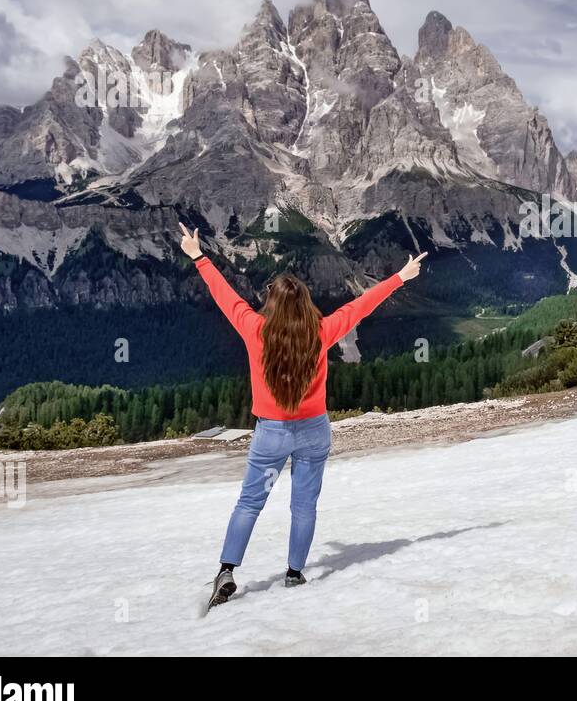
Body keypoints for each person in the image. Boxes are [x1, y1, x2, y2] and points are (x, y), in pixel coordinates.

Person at [178, 222, 426, 611]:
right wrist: (399, 277)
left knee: (249, 503)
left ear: (271, 303)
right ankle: (294, 573)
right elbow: (360, 306)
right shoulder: (322, 331)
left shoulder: (255, 330)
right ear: (306, 303)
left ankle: (227, 571)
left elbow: (225, 296)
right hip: (314, 431)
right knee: (304, 505)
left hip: (270, 433)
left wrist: (198, 256)